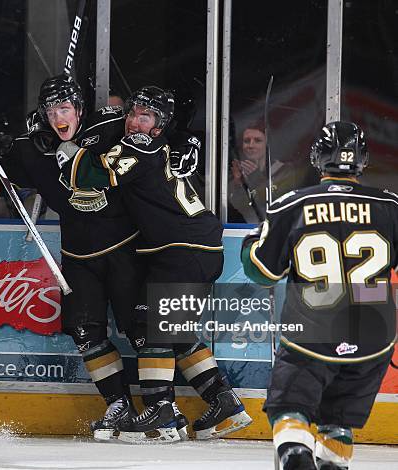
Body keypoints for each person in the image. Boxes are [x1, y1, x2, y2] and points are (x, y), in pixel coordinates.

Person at [55, 85, 252, 442]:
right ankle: (223, 402)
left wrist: (75, 152)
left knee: (154, 326)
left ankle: (161, 413)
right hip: (193, 246)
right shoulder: (155, 144)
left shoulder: (140, 145)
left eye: (144, 117)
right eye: (131, 113)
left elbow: (90, 176)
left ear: (158, 127)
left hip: (183, 247)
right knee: (171, 331)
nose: (132, 121)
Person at [240, 121, 396, 470]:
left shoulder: (292, 204)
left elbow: (260, 272)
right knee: (337, 424)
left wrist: (254, 240)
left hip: (312, 335)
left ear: (317, 159)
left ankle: (297, 460)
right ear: (362, 160)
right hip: (374, 340)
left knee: (288, 412)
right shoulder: (391, 206)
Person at [1, 74, 147, 442]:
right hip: (78, 257)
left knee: (143, 331)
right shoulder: (35, 147)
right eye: (50, 112)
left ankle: (164, 407)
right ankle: (118, 405)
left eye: (64, 109)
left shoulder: (111, 126)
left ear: (80, 110)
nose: (57, 118)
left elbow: (156, 126)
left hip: (125, 250)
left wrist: (186, 140)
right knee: (86, 333)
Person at [229, 124, 296, 223]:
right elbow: (236, 209)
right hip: (245, 229)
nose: (251, 145)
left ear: (267, 143)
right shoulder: (235, 171)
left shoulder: (284, 170)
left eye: (257, 141)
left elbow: (281, 203)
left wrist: (257, 178)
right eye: (247, 141)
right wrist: (237, 183)